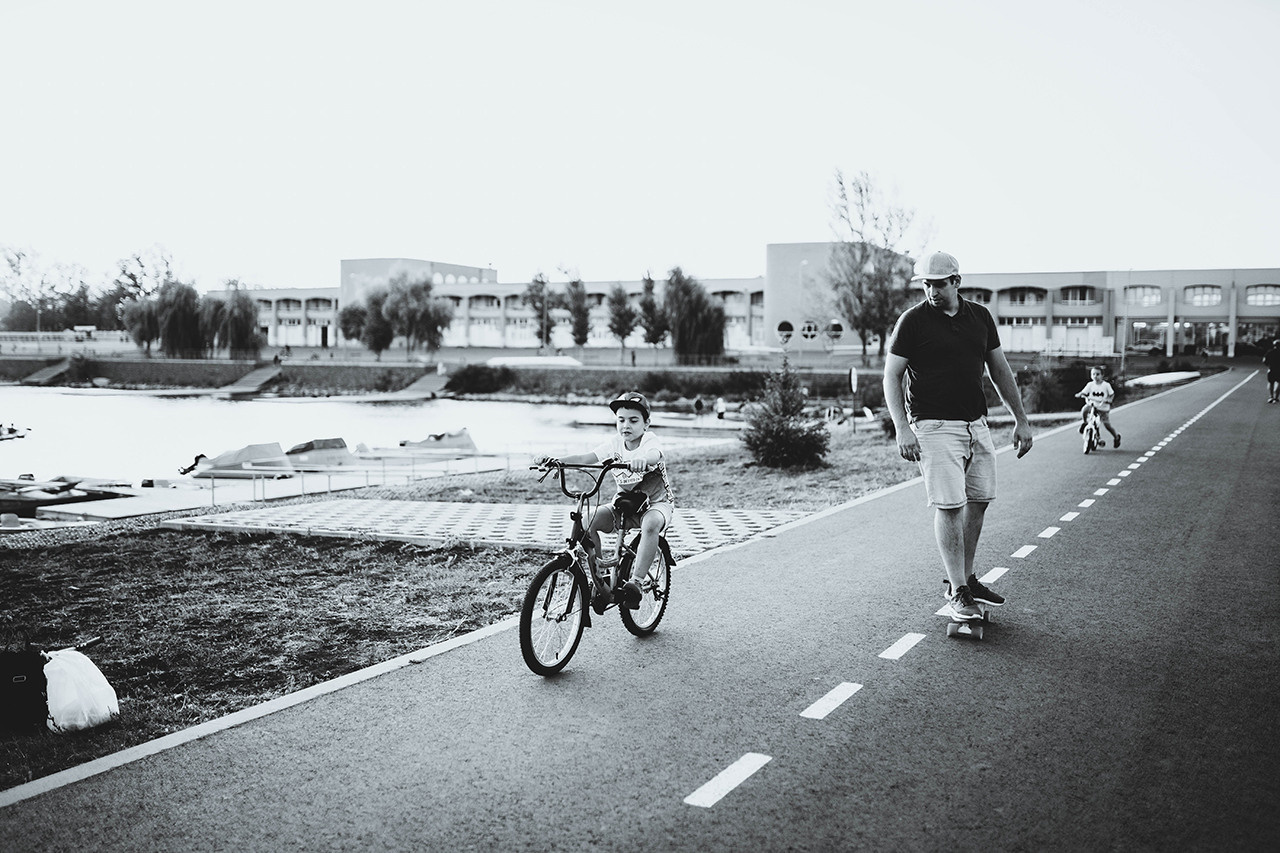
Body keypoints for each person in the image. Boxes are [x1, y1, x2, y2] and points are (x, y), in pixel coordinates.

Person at [882, 251, 1034, 622]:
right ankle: (958, 590)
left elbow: (1000, 370)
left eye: (938, 283)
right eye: (926, 284)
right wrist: (902, 427)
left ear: (956, 281)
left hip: (975, 423)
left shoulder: (980, 317)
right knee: (949, 505)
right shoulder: (912, 322)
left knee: (979, 500)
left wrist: (1021, 419)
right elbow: (891, 377)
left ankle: (964, 579)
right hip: (933, 426)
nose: (932, 290)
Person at [536, 391, 675, 609]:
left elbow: (654, 454)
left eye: (633, 420)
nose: (625, 426)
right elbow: (585, 458)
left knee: (650, 524)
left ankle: (636, 584)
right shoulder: (614, 444)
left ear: (646, 423)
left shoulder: (649, 440)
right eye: (621, 420)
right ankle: (600, 577)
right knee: (586, 522)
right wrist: (555, 462)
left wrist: (641, 459)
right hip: (624, 506)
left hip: (655, 504)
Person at [1074, 366, 1121, 447]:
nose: (1095, 376)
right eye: (1093, 374)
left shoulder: (1106, 385)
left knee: (1107, 425)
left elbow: (1112, 394)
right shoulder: (1090, 384)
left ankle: (1116, 437)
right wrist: (1080, 394)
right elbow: (1084, 392)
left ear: (1102, 375)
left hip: (1103, 407)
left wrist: (1109, 399)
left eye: (1098, 374)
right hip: (1092, 405)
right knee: (1084, 410)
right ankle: (1084, 423)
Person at [1264, 339, 1280, 404]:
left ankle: (1271, 396)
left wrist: (1268, 365)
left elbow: (1264, 360)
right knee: (1279, 383)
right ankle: (1276, 397)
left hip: (1272, 369)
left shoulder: (1270, 352)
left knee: (1271, 383)